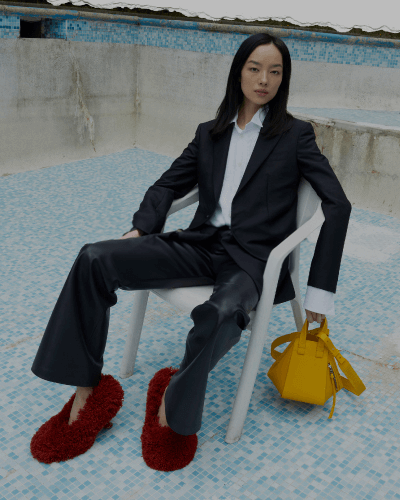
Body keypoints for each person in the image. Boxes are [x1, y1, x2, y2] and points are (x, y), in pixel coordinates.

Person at [30, 32, 351, 471]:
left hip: (251, 261)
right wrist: (140, 228)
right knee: (93, 258)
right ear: (238, 73)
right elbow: (169, 183)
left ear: (284, 79)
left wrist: (319, 293)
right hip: (200, 244)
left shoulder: (295, 136)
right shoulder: (210, 133)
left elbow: (337, 204)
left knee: (220, 314)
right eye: (255, 68)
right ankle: (89, 394)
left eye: (275, 72)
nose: (264, 80)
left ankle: (171, 406)